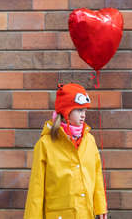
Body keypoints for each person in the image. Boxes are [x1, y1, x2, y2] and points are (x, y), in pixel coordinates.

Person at [24, 83, 108, 219]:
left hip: (86, 214)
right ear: (66, 111)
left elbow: (97, 174)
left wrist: (100, 206)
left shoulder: (89, 140)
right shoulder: (46, 144)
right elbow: (36, 188)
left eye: (85, 111)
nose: (83, 115)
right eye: (79, 110)